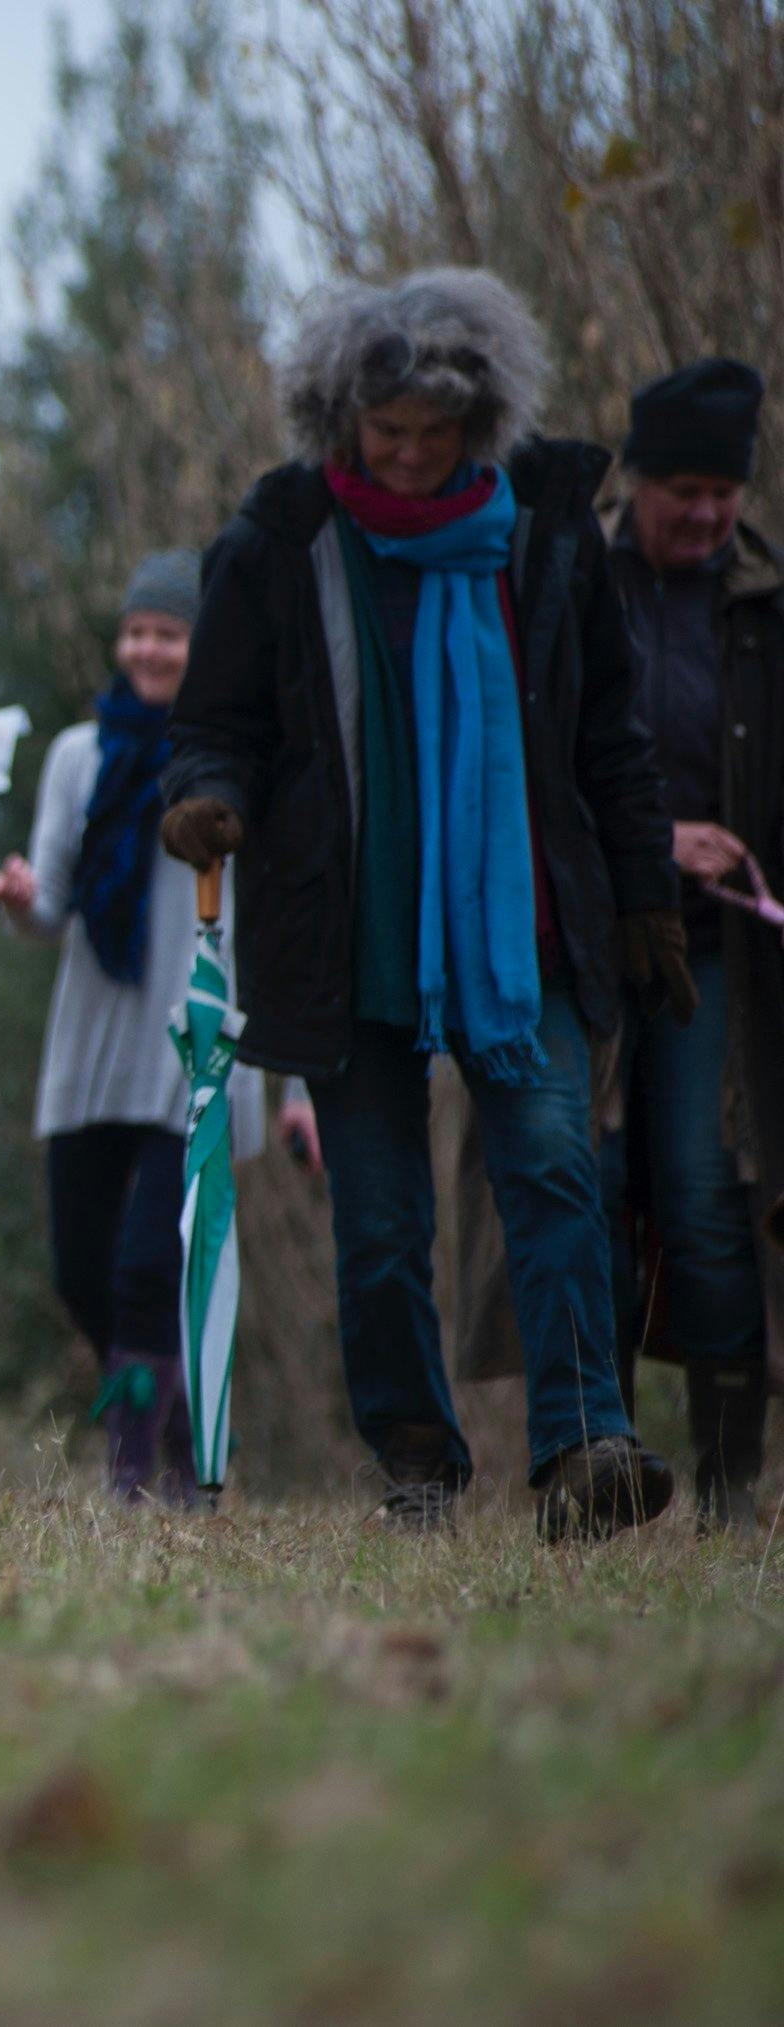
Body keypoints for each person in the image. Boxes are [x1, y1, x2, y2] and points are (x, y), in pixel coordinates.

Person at [160, 269, 688, 1539]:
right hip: (349, 935)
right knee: (384, 1221)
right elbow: (215, 724)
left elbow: (610, 736)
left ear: (480, 426)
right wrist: (206, 799)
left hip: (529, 925)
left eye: (430, 436)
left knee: (559, 1177)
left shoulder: (548, 534)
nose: (402, 456)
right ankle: (418, 1466)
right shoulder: (278, 542)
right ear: (338, 420)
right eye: (381, 432)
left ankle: (583, 1449)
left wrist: (643, 897)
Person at [0, 551, 318, 1501]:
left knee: (145, 1268)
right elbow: (52, 908)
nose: (148, 648)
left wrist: (300, 1083)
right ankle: (180, 1424)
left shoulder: (244, 754)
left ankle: (136, 1483)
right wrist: (17, 897)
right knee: (80, 1270)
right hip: (92, 1043)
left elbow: (281, 921)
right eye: (136, 631)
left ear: (201, 645)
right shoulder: (80, 756)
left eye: (168, 633)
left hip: (195, 1048)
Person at [596, 357, 782, 1527]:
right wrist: (656, 840)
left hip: (722, 955)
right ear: (637, 481)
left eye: (724, 492)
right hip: (593, 943)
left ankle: (727, 1489)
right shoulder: (573, 585)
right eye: (683, 491)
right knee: (593, 1195)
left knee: (708, 1196)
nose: (706, 515)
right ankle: (596, 1463)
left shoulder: (764, 609)